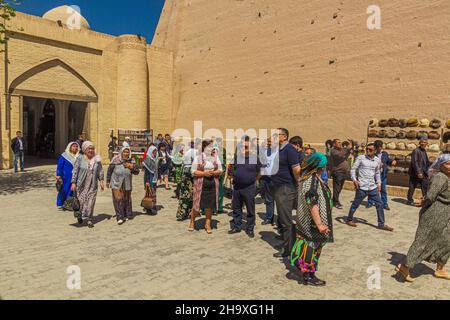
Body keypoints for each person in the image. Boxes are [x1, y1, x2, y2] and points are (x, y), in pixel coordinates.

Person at [396, 154, 450, 282]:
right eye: (448, 163)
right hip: (435, 212)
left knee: (446, 241)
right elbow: (431, 196)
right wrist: (423, 202)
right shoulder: (440, 177)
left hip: (446, 213)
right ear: (441, 165)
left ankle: (440, 268)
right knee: (424, 239)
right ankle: (405, 266)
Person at [291, 152, 333, 286]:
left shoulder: (308, 177)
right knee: (311, 250)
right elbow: (312, 202)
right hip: (312, 224)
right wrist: (320, 223)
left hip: (307, 222)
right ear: (320, 166)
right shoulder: (312, 181)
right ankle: (308, 275)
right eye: (324, 165)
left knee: (309, 248)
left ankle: (307, 272)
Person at [345, 143, 394, 231]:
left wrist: (379, 184)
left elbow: (377, 173)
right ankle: (349, 219)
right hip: (362, 186)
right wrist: (354, 180)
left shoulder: (377, 160)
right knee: (355, 204)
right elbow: (353, 169)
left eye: (370, 150)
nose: (368, 151)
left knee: (380, 204)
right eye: (367, 149)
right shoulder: (361, 158)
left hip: (372, 187)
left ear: (374, 151)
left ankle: (381, 224)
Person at [271, 128, 301, 258]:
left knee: (285, 220)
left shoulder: (290, 150)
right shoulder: (279, 149)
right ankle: (286, 243)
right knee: (282, 218)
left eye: (276, 135)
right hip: (278, 187)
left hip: (286, 188)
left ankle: (288, 249)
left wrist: (299, 184)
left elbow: (296, 169)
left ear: (284, 136)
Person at [188, 140, 223, 234]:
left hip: (212, 183)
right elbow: (193, 171)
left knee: (209, 205)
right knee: (196, 204)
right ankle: (192, 222)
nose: (212, 148)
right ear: (205, 147)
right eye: (210, 146)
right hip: (200, 184)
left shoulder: (215, 157)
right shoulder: (198, 157)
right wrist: (204, 173)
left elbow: (220, 169)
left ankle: (207, 224)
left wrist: (214, 172)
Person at [228, 137, 261, 238]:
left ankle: (250, 228)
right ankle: (237, 226)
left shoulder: (255, 159)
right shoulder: (237, 158)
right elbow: (231, 168)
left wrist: (252, 180)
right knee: (236, 208)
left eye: (245, 146)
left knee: (250, 209)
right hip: (237, 187)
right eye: (242, 146)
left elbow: (260, 172)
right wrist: (232, 176)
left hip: (249, 188)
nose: (243, 148)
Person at [71, 141, 105, 228]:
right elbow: (75, 170)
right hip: (81, 184)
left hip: (92, 185)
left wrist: (101, 181)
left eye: (92, 148)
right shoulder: (80, 158)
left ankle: (89, 219)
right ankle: (79, 215)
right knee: (81, 202)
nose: (91, 150)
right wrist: (73, 182)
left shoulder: (97, 159)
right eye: (89, 149)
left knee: (91, 202)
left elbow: (100, 170)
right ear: (85, 150)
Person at [107, 146, 140, 225]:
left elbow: (137, 172)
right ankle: (120, 217)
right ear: (121, 152)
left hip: (127, 182)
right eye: (124, 152)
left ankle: (127, 214)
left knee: (127, 199)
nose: (126, 153)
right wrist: (108, 181)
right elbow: (109, 170)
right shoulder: (115, 160)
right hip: (116, 182)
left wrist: (131, 167)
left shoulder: (131, 160)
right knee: (118, 199)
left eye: (127, 152)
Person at [367, 140, 397, 210]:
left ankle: (385, 203)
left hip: (383, 175)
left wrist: (392, 161)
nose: (379, 148)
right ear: (375, 147)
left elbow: (388, 160)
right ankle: (370, 202)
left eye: (380, 146)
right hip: (374, 175)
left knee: (383, 190)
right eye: (378, 147)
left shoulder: (385, 153)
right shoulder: (372, 154)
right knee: (372, 189)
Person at [176, 141, 197, 221]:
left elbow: (183, 163)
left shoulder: (187, 152)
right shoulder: (195, 152)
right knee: (192, 194)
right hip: (191, 172)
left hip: (185, 172)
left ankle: (182, 213)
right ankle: (188, 213)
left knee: (185, 194)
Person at [330, 139, 353, 209]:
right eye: (338, 142)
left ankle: (334, 200)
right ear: (334, 144)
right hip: (337, 172)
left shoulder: (342, 150)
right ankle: (335, 202)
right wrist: (347, 148)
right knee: (336, 188)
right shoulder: (333, 151)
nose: (340, 144)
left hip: (343, 173)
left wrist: (350, 148)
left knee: (339, 188)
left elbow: (345, 156)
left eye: (340, 142)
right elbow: (340, 155)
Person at [407, 137, 431, 206]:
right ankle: (409, 200)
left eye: (425, 142)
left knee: (424, 187)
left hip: (424, 173)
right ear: (419, 143)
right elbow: (415, 162)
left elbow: (425, 162)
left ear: (427, 143)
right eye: (422, 142)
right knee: (412, 187)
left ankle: (425, 200)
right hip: (416, 173)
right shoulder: (416, 150)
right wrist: (418, 172)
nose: (423, 143)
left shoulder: (424, 150)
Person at [56, 142, 80, 209]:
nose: (75, 148)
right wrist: (58, 175)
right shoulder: (64, 156)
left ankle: (71, 203)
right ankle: (62, 203)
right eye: (73, 146)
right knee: (64, 189)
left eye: (76, 146)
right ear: (69, 147)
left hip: (76, 176)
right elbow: (59, 166)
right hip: (66, 177)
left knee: (74, 190)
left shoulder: (79, 156)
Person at [260, 137, 276, 225]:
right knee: (269, 199)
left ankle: (279, 220)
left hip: (276, 179)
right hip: (267, 179)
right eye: (268, 142)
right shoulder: (265, 151)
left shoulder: (279, 152)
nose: (269, 143)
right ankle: (269, 218)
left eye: (271, 142)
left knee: (279, 200)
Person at [142, 145, 159, 215]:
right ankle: (150, 207)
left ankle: (150, 206)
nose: (155, 153)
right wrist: (147, 182)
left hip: (154, 178)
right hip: (149, 179)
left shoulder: (155, 159)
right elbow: (146, 173)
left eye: (155, 151)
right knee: (150, 193)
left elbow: (157, 169)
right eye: (153, 151)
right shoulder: (147, 159)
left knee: (153, 192)